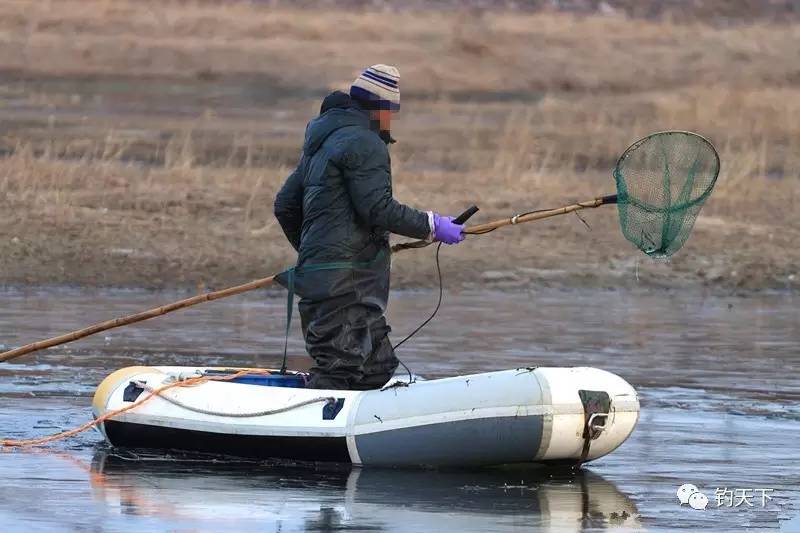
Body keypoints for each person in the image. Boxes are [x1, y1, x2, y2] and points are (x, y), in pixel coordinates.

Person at [274, 64, 465, 390]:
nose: (392, 120)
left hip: (339, 281)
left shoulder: (323, 141)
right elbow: (378, 209)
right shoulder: (364, 142)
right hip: (344, 287)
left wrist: (317, 257)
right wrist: (432, 225)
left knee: (376, 367)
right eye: (391, 111)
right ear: (379, 108)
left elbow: (285, 205)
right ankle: (311, 432)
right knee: (342, 371)